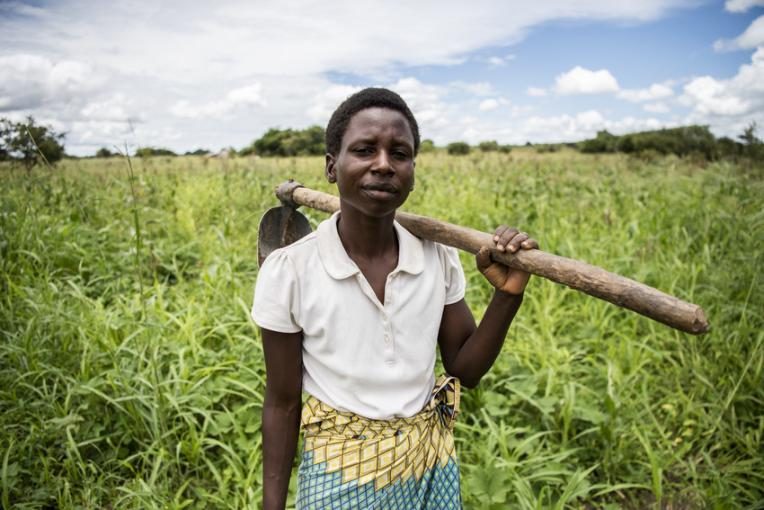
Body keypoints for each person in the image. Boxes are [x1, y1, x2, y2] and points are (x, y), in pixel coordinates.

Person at [252, 87, 538, 509]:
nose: (383, 165)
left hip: (428, 463)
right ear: (333, 167)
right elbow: (281, 401)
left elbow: (465, 368)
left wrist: (507, 296)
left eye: (399, 153)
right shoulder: (291, 270)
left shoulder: (435, 257)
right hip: (339, 471)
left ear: (413, 170)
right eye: (365, 150)